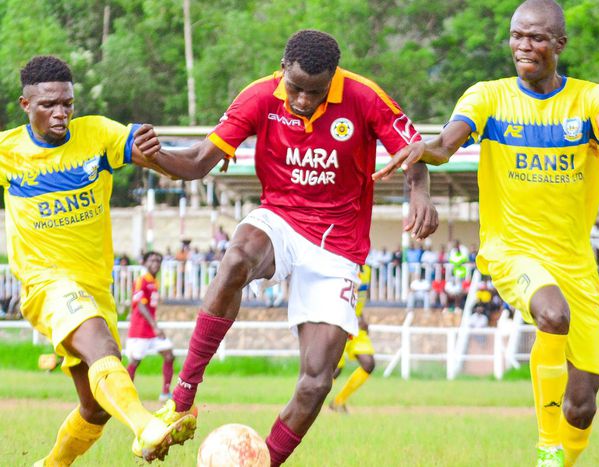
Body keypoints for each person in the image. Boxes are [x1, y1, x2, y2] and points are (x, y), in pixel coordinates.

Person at [135, 30, 438, 466]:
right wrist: (155, 155)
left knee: (316, 383)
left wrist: (419, 193)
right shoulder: (259, 96)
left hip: (338, 247)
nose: (302, 100)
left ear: (333, 77)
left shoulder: (365, 96)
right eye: (295, 88)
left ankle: (265, 462)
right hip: (280, 219)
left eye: (315, 92)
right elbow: (200, 160)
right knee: (237, 257)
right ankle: (181, 401)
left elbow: (413, 151)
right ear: (282, 70)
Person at [374, 1, 599, 465]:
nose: (524, 46)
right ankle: (546, 447)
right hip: (511, 250)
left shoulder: (588, 97)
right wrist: (425, 149)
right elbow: (446, 144)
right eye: (517, 36)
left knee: (581, 406)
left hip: (575, 263)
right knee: (552, 315)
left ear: (559, 44)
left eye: (537, 37)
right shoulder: (488, 97)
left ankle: (560, 458)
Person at [0, 56, 195, 465]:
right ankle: (146, 427)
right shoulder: (8, 151)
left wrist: (179, 153)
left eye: (67, 103)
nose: (61, 113)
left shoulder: (98, 133)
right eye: (48, 105)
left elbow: (159, 159)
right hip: (45, 283)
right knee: (102, 345)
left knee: (95, 408)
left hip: (95, 288)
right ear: (25, 104)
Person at [125, 251, 175, 402]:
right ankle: (124, 394)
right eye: (152, 260)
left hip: (151, 331)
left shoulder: (154, 282)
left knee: (169, 355)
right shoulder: (141, 280)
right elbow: (140, 305)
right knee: (135, 361)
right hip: (140, 330)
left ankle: (165, 393)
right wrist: (155, 326)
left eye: (158, 261)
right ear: (145, 263)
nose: (155, 263)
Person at [329, 265, 376, 413]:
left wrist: (361, 317)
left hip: (356, 326)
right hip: (339, 323)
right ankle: (307, 402)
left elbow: (358, 299)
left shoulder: (367, 270)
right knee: (335, 370)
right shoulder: (342, 265)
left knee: (368, 364)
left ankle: (338, 402)